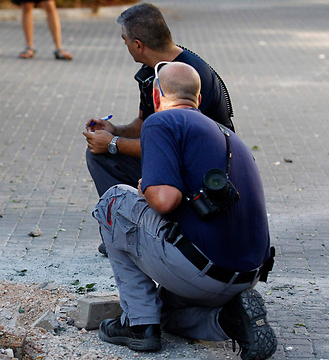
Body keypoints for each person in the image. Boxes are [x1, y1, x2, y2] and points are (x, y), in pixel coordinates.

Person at [92, 62, 277, 360]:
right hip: (247, 273)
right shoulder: (226, 134)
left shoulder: (160, 122)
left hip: (202, 273)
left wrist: (145, 189)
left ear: (156, 97)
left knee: (114, 200)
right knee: (164, 309)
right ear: (199, 100)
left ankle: (137, 324)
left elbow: (165, 200)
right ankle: (231, 321)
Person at [83, 3, 233, 256]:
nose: (126, 46)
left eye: (125, 41)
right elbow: (146, 124)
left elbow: (167, 148)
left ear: (138, 44)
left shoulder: (186, 73)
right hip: (175, 155)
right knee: (100, 156)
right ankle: (122, 230)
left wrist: (113, 142)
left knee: (107, 150)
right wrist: (115, 129)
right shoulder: (150, 73)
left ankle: (155, 234)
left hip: (203, 170)